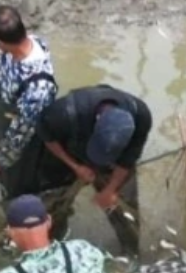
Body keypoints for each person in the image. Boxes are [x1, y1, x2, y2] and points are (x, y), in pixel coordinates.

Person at [36, 84, 151, 255]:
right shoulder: (65, 113)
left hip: (114, 164)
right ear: (97, 120)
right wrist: (75, 166)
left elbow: (127, 161)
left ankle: (130, 253)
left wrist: (110, 190)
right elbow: (47, 136)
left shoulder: (141, 116)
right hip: (70, 154)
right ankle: (51, 245)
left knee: (123, 206)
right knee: (53, 205)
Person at [0, 5, 60, 200]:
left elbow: (21, 132)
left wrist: (0, 160)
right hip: (1, 122)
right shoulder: (15, 50)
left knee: (15, 188)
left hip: (22, 143)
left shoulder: (38, 88)